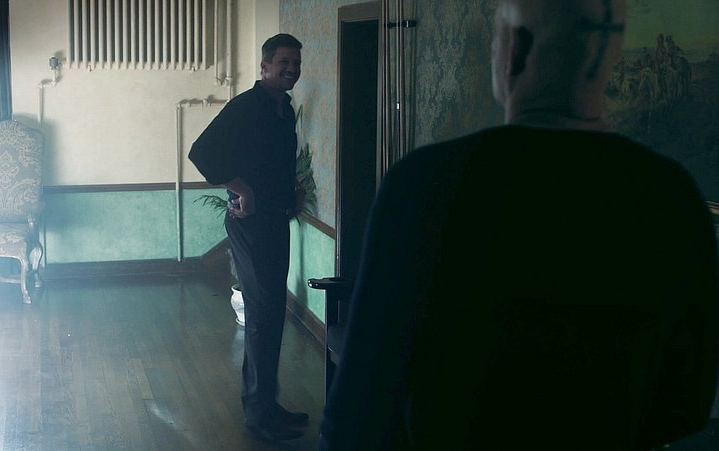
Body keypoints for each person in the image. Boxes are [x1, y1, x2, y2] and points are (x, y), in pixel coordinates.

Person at [319, 0, 719, 450]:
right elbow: (687, 404)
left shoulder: (423, 184)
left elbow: (360, 408)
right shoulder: (674, 196)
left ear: (515, 48)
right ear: (609, 52)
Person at [189, 33, 308, 442]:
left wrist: (293, 189)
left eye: (296, 63)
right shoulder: (246, 107)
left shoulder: (284, 109)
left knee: (272, 315)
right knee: (261, 317)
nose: (291, 69)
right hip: (250, 226)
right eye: (283, 62)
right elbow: (202, 153)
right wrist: (243, 189)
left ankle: (267, 405)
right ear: (265, 66)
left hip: (276, 222)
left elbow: (274, 161)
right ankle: (258, 416)